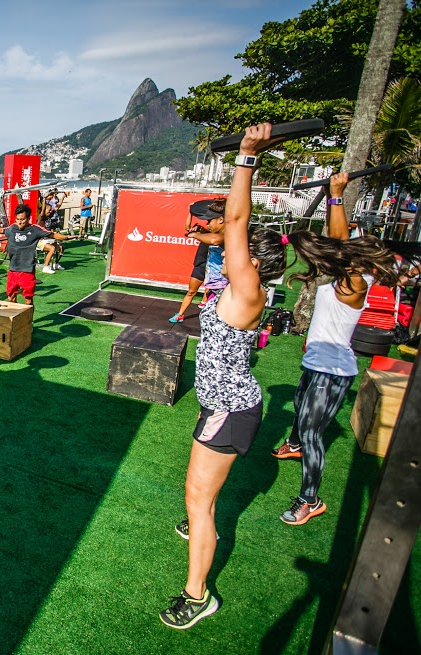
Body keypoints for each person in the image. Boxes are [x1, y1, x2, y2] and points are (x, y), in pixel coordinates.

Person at [160, 124, 288, 629]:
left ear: (252, 263)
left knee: (198, 499)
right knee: (199, 499)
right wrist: (207, 227)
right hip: (225, 403)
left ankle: (198, 595)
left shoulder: (247, 290)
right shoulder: (237, 290)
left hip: (229, 409)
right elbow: (222, 226)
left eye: (239, 248)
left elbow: (235, 220)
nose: (230, 248)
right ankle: (200, 522)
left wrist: (247, 157)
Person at [270, 172, 397, 525]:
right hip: (317, 361)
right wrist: (332, 196)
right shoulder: (345, 276)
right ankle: (293, 445)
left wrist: (336, 196)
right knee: (299, 407)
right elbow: (340, 245)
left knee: (313, 430)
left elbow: (339, 243)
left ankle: (310, 500)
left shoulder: (356, 282)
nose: (344, 255)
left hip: (333, 370)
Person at [0, 204, 75, 305]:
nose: (20, 222)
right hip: (13, 270)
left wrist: (67, 237)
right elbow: (0, 230)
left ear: (28, 218)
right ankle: (16, 318)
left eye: (22, 219)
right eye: (17, 219)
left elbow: (53, 235)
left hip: (27, 271)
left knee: (28, 300)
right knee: (11, 297)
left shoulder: (35, 230)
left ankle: (28, 321)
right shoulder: (12, 228)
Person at [169, 201, 225, 323]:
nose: (207, 224)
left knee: (217, 321)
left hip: (224, 288)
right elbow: (210, 236)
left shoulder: (228, 234)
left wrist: (195, 235)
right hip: (214, 285)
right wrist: (199, 231)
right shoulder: (212, 233)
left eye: (210, 221)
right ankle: (180, 315)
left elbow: (215, 240)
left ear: (221, 220)